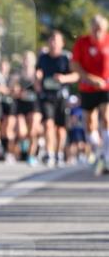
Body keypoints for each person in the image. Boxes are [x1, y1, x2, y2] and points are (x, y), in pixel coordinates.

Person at [71, 14, 109, 175]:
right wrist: (90, 79)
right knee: (89, 124)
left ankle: (107, 156)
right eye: (95, 27)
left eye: (100, 27)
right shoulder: (82, 42)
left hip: (106, 86)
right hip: (87, 87)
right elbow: (75, 66)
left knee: (106, 117)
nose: (97, 31)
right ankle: (99, 150)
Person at [36, 31, 76, 167]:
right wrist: (37, 81)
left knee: (60, 129)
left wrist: (64, 78)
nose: (53, 43)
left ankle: (59, 153)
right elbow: (37, 73)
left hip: (61, 96)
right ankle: (50, 153)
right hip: (47, 96)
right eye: (51, 40)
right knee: (48, 125)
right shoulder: (43, 58)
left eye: (56, 40)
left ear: (62, 43)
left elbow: (76, 75)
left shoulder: (67, 58)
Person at [13, 50, 42, 166]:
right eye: (25, 59)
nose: (27, 62)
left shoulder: (37, 73)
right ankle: (24, 148)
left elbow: (39, 90)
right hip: (21, 104)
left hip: (34, 104)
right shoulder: (18, 74)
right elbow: (13, 90)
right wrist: (18, 92)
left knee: (32, 131)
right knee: (21, 131)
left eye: (29, 59)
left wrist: (37, 79)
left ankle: (31, 155)